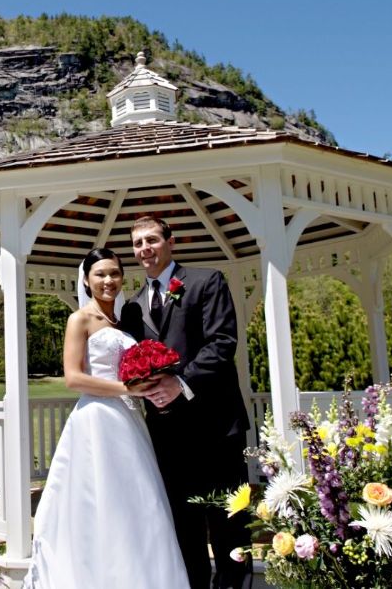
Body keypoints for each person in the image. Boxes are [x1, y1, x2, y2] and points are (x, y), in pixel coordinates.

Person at [24, 248, 190, 589]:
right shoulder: (80, 319)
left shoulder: (123, 321)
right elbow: (73, 378)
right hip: (97, 421)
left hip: (129, 420)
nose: (108, 280)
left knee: (137, 502)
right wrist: (127, 389)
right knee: (99, 501)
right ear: (86, 280)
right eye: (100, 274)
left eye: (114, 273)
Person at [120, 216, 253, 589]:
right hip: (167, 432)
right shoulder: (133, 307)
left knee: (228, 522)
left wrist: (181, 383)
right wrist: (145, 388)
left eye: (151, 240)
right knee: (184, 526)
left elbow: (223, 342)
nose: (144, 249)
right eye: (137, 243)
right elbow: (130, 363)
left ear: (170, 241)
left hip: (216, 426)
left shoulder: (206, 281)